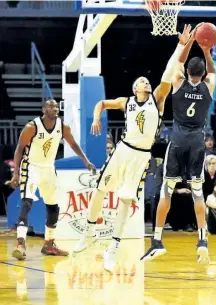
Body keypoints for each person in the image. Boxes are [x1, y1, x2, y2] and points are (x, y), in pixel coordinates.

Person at [73, 25, 192, 272]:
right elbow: (101, 103)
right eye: (140, 80)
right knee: (99, 190)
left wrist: (181, 46)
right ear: (134, 88)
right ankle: (89, 232)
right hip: (122, 150)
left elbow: (169, 72)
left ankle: (112, 250)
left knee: (125, 201)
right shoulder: (125, 102)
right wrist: (96, 118)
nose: (144, 80)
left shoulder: (157, 99)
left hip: (140, 156)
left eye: (146, 79)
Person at [141, 25, 216, 263]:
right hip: (196, 142)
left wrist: (187, 43)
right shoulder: (208, 87)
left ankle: (157, 241)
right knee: (197, 194)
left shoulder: (178, 83)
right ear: (202, 74)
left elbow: (177, 65)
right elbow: (212, 71)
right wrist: (206, 50)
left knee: (167, 191)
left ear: (187, 73)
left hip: (177, 141)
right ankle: (202, 240)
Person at [11, 99, 95, 260]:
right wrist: (16, 173)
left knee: (53, 207)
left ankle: (49, 244)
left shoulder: (63, 127)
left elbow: (73, 144)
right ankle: (20, 244)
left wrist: (86, 160)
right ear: (43, 109)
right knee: (27, 203)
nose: (55, 108)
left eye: (56, 106)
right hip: (31, 167)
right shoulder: (32, 127)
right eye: (51, 106)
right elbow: (19, 149)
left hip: (49, 168)